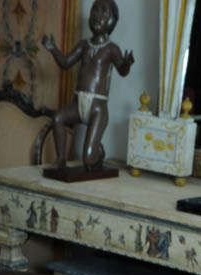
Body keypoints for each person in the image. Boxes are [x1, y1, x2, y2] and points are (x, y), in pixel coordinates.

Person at [42, 0, 134, 172]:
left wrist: (127, 64)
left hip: (97, 109)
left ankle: (98, 152)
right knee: (58, 118)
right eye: (95, 11)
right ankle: (61, 159)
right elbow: (66, 62)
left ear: (112, 21)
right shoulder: (83, 45)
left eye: (104, 12)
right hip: (78, 104)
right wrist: (53, 48)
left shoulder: (112, 49)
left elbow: (122, 70)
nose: (97, 16)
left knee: (88, 160)